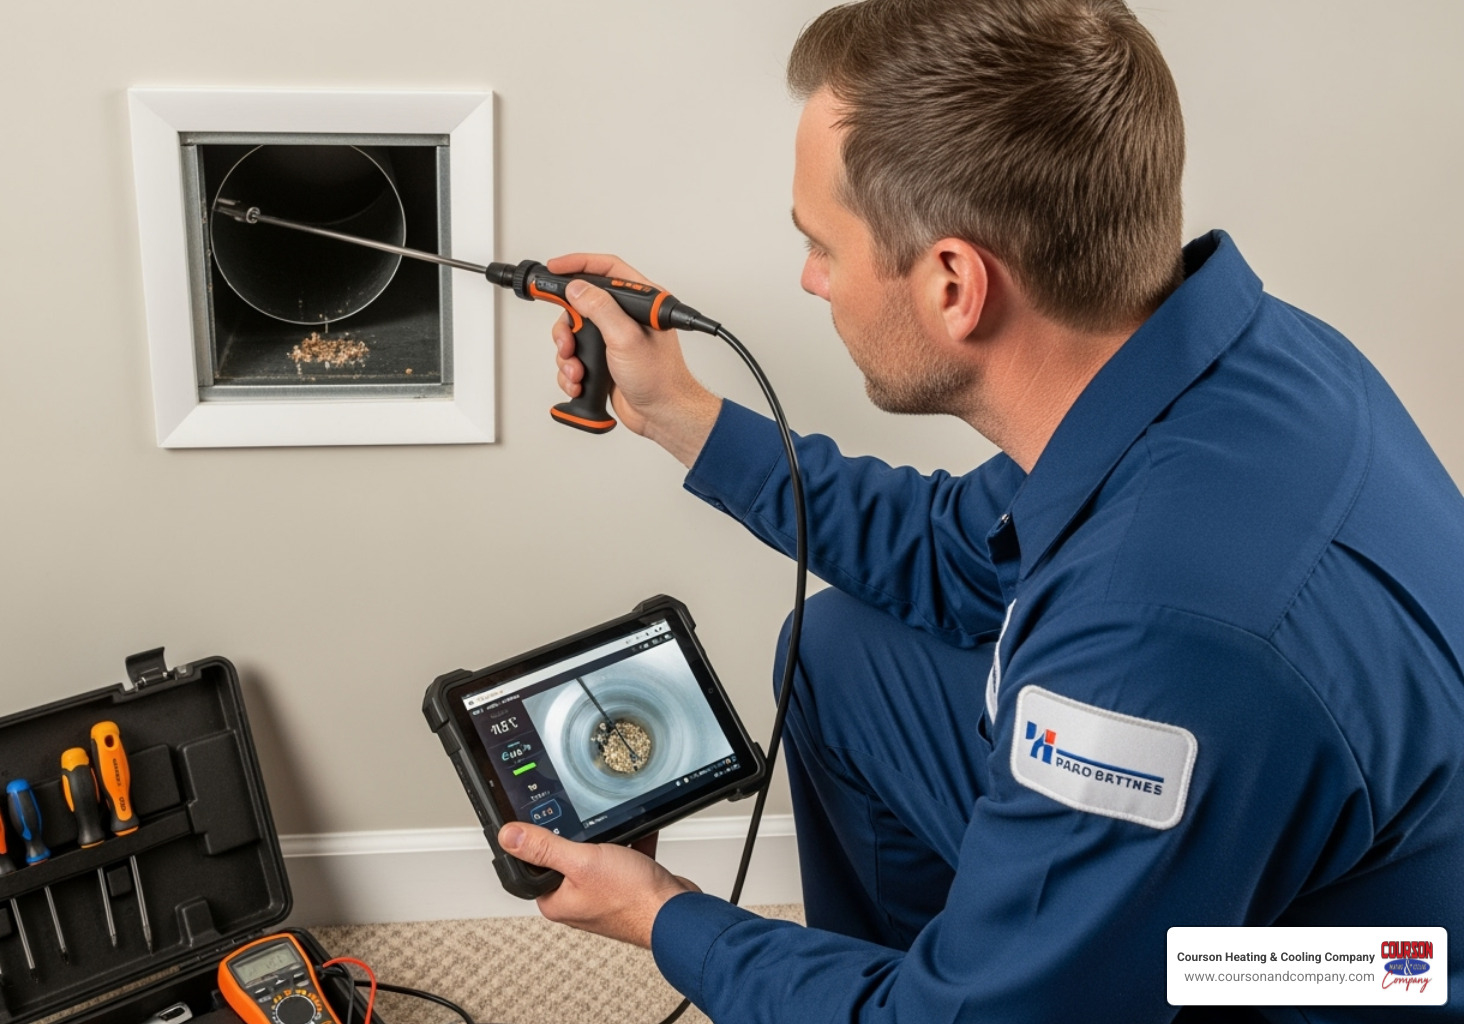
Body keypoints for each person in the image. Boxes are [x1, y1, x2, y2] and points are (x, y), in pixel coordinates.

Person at [493, 1, 1464, 1020]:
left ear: (955, 281)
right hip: (1287, 841)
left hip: (1322, 970)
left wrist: (665, 915)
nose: (810, 279)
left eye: (823, 245)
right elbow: (960, 552)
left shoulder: (1150, 644)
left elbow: (1149, 655)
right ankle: (977, 960)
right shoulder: (1234, 358)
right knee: (839, 650)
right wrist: (684, 417)